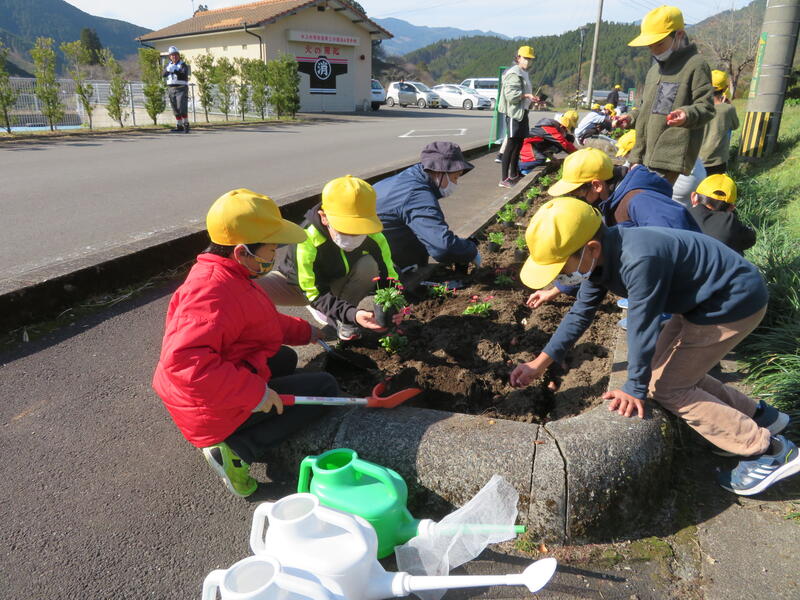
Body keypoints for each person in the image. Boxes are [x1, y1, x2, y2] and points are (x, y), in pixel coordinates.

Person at [510, 198, 798, 496]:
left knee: (668, 388)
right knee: (667, 372)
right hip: (701, 302)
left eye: (561, 268)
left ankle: (768, 450)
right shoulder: (600, 260)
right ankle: (761, 417)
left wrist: (634, 387)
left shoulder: (638, 259)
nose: (559, 278)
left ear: (591, 249)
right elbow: (579, 314)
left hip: (731, 304)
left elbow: (642, 325)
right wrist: (537, 365)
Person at [152, 189, 340, 497]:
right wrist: (254, 393)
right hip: (205, 407)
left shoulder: (230, 275)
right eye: (271, 249)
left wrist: (308, 332)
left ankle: (248, 419)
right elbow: (185, 364)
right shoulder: (210, 293)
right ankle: (237, 450)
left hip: (212, 386)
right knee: (325, 388)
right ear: (242, 252)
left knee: (284, 358)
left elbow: (259, 322)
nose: (275, 255)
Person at [528, 148, 700, 309]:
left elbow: (679, 250)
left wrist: (648, 298)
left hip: (686, 290)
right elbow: (586, 258)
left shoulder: (641, 202)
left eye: (577, 194)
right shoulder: (607, 202)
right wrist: (555, 290)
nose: (577, 199)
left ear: (597, 185)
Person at [261, 175, 398, 342]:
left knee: (369, 266)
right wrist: (351, 313)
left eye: (359, 230)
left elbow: (389, 276)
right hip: (301, 285)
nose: (353, 237)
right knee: (251, 288)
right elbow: (312, 292)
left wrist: (392, 306)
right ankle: (325, 309)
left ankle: (342, 318)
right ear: (324, 217)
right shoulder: (306, 238)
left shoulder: (373, 235)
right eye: (345, 230)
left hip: (340, 280)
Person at [627, 6, 714, 184]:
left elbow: (707, 108)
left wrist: (687, 114)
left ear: (679, 35)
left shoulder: (696, 65)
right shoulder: (654, 71)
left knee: (649, 198)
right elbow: (646, 110)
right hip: (643, 154)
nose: (654, 50)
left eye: (659, 44)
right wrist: (630, 118)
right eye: (650, 46)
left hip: (669, 158)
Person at [374, 141, 480, 272]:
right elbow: (443, 247)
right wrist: (470, 251)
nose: (455, 183)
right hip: (377, 259)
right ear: (440, 172)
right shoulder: (416, 195)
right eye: (455, 177)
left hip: (374, 241)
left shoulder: (411, 176)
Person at [497, 46, 537, 187]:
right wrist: (527, 95)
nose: (528, 61)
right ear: (518, 57)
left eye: (530, 59)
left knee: (519, 144)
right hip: (514, 113)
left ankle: (514, 174)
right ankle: (504, 179)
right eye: (525, 58)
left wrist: (531, 98)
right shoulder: (514, 73)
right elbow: (511, 96)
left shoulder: (523, 73)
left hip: (522, 112)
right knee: (511, 144)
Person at [690, 174, 756, 254]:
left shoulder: (683, 215)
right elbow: (750, 238)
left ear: (693, 197)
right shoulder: (729, 221)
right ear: (731, 207)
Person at [699, 70, 740, 175]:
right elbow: (735, 125)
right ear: (725, 89)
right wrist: (728, 104)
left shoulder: (697, 107)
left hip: (696, 161)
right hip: (718, 161)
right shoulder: (728, 109)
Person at [163, 46, 191, 133]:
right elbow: (163, 74)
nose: (174, 56)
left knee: (181, 107)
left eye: (176, 55)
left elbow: (184, 75)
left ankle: (186, 123)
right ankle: (179, 125)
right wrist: (167, 70)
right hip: (171, 88)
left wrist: (175, 71)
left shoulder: (183, 65)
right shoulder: (168, 65)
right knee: (175, 108)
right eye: (172, 55)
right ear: (169, 57)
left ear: (179, 55)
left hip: (181, 88)